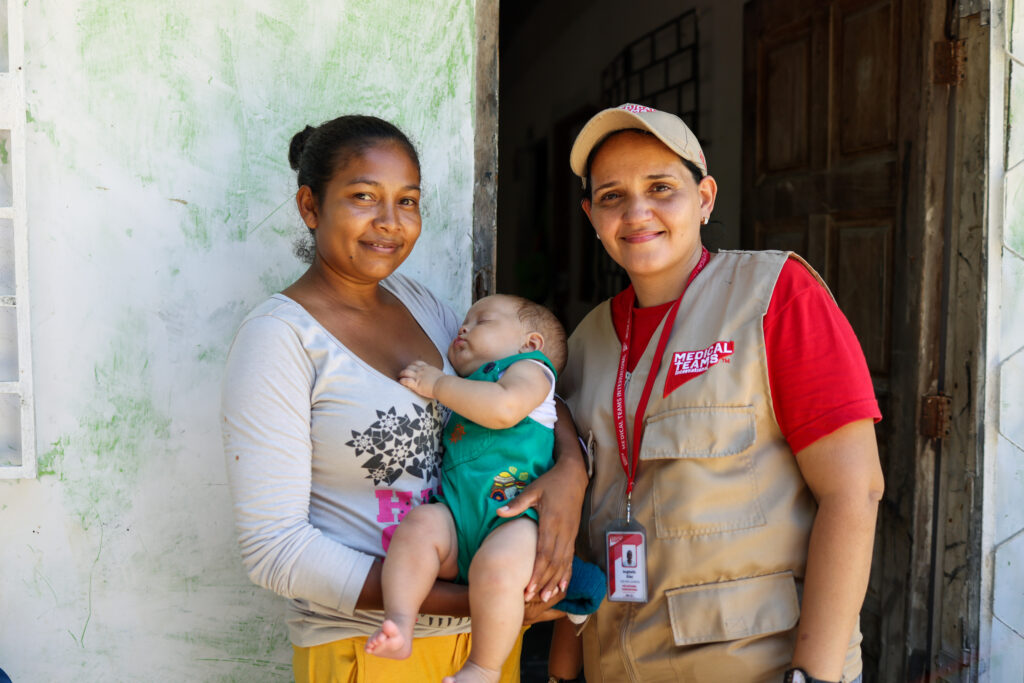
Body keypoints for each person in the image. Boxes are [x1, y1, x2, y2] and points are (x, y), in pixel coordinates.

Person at [220, 114, 587, 682]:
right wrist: (481, 597)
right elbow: (276, 551)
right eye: (364, 196)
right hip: (369, 649)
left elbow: (523, 387)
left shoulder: (424, 306)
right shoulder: (279, 339)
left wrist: (571, 467)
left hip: (484, 648)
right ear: (310, 207)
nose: (390, 223)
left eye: (408, 201)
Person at [555, 103, 885, 683]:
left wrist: (814, 676)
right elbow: (583, 526)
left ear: (705, 198)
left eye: (661, 188)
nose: (637, 212)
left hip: (760, 667)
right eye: (611, 196)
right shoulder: (585, 343)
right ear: (591, 215)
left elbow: (853, 493)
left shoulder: (775, 296)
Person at [365, 294, 575, 683]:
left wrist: (438, 384)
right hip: (457, 513)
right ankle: (399, 622)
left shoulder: (530, 370)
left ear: (531, 343)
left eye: (482, 320)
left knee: (498, 574)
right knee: (418, 527)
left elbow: (503, 408)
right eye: (466, 320)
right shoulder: (468, 382)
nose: (464, 326)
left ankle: (483, 667)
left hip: (513, 516)